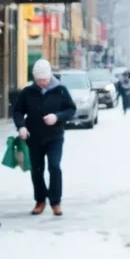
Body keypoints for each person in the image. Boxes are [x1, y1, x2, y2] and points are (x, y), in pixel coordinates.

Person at [13, 59, 76, 216]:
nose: (42, 82)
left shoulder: (60, 90)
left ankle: (55, 202)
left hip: (55, 136)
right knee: (37, 169)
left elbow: (71, 109)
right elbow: (18, 111)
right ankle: (40, 200)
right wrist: (21, 126)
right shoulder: (28, 92)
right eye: (39, 79)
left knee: (54, 166)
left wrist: (57, 116)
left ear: (50, 77)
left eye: (45, 79)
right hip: (33, 137)